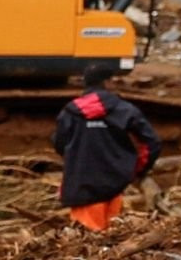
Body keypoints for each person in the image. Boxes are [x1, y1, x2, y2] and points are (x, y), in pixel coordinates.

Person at [53, 88, 160, 233]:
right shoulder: (125, 109)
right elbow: (151, 142)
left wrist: (75, 162)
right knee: (113, 238)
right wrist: (137, 170)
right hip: (115, 185)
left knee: (85, 241)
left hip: (83, 185)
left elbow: (59, 144)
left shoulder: (70, 113)